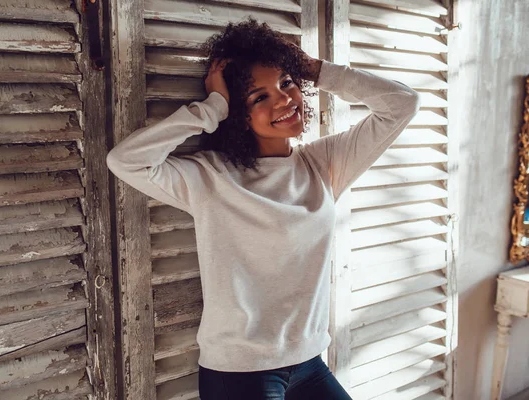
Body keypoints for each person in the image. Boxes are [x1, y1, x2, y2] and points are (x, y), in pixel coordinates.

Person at [107, 18, 420, 400]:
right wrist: (212, 107)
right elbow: (126, 161)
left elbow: (402, 104)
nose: (284, 100)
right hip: (241, 373)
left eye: (286, 83)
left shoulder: (323, 164)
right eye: (259, 97)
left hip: (308, 362)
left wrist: (315, 69)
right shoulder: (211, 178)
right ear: (238, 115)